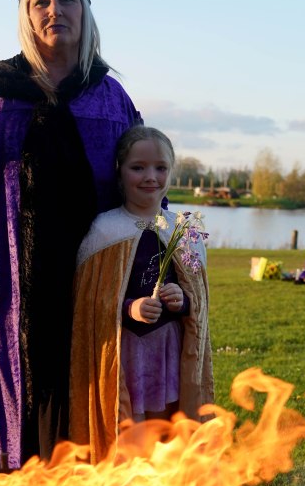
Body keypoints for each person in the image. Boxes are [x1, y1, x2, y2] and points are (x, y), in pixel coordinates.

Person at [0, 0, 141, 470]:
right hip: (12, 281)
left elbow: (143, 182)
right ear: (25, 16)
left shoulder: (111, 98)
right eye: (41, 3)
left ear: (85, 12)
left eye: (67, 1)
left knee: (91, 383)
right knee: (20, 387)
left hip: (95, 274)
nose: (55, 11)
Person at [69, 126, 214, 464]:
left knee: (167, 428)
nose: (150, 177)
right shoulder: (104, 230)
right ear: (120, 171)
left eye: (160, 168)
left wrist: (183, 300)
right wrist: (128, 307)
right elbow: (86, 306)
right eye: (138, 167)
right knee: (130, 431)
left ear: (171, 172)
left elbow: (200, 303)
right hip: (125, 354)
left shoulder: (184, 230)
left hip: (168, 351)